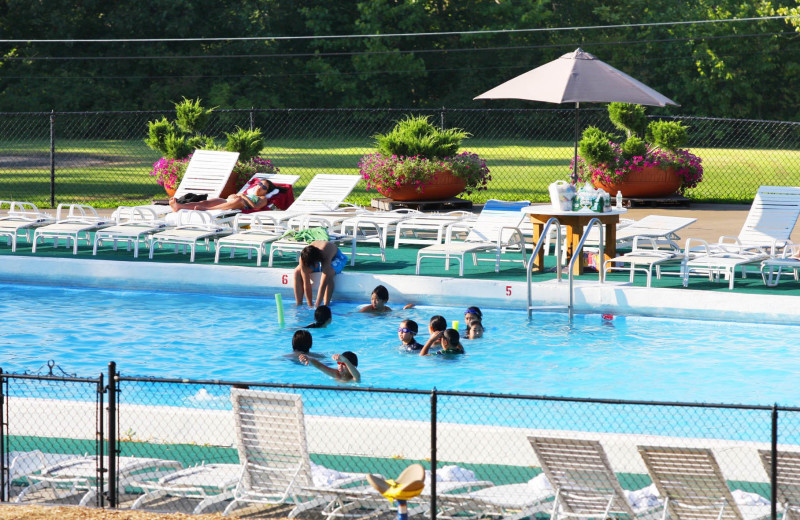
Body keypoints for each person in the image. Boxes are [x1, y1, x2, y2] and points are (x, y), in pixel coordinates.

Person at [169, 180, 283, 212]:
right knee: (204, 202)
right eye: (259, 184)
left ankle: (206, 209)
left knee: (238, 199)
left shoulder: (263, 199)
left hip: (241, 205)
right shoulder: (248, 192)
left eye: (264, 187)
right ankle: (179, 206)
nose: (259, 187)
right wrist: (237, 195)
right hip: (228, 201)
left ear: (266, 192)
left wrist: (243, 197)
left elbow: (256, 207)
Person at [293, 240, 347, 307]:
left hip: (336, 258)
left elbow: (323, 284)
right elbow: (306, 282)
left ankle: (325, 305)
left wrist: (317, 305)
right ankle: (298, 303)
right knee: (297, 272)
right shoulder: (302, 258)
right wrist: (310, 305)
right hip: (314, 257)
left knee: (328, 274)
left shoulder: (325, 254)